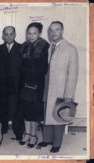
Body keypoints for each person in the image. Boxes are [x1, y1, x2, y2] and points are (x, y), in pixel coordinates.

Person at [37, 21, 79, 153]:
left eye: (57, 30)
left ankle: (57, 143)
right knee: (47, 113)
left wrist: (69, 94)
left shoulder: (71, 49)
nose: (54, 33)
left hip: (60, 88)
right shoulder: (49, 47)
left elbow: (73, 74)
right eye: (52, 30)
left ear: (62, 31)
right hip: (47, 85)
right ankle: (47, 139)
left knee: (58, 114)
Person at [19, 22, 49, 148]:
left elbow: (43, 69)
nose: (31, 36)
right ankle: (27, 133)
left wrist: (28, 72)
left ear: (40, 34)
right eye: (29, 33)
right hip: (24, 83)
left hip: (36, 84)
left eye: (34, 33)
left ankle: (33, 136)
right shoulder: (24, 46)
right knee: (26, 111)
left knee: (34, 112)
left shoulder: (43, 47)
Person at [0, 26, 24, 140]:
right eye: (6, 34)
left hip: (17, 85)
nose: (8, 36)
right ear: (3, 35)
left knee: (17, 109)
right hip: (2, 85)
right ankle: (3, 128)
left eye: (11, 34)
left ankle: (18, 133)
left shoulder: (22, 48)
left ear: (15, 34)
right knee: (2, 107)